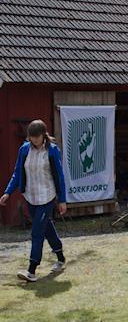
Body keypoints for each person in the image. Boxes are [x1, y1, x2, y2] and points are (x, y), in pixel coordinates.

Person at [0, 119, 68, 282]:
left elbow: (60, 176)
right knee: (46, 227)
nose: (34, 140)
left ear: (43, 135)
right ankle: (60, 256)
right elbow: (17, 172)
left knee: (37, 232)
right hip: (30, 196)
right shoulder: (24, 149)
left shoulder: (52, 151)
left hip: (47, 196)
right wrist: (8, 192)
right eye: (31, 137)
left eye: (36, 137)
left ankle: (31, 270)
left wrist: (62, 200)